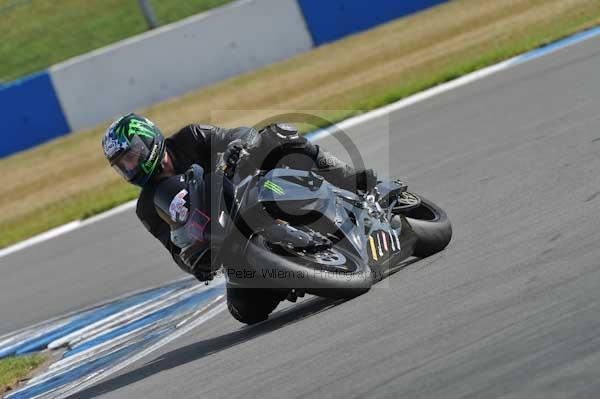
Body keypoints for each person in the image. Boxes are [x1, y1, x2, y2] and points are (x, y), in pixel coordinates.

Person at [102, 113, 376, 282]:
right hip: (226, 239)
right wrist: (194, 265)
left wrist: (238, 146)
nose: (130, 167)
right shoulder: (147, 206)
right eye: (122, 165)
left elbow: (241, 133)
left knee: (278, 134)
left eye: (131, 156)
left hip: (247, 184)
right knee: (247, 312)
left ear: (148, 140)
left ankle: (351, 180)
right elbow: (174, 250)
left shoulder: (191, 137)